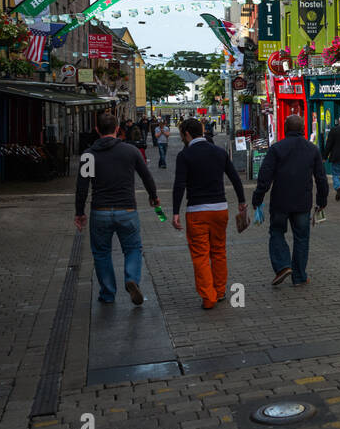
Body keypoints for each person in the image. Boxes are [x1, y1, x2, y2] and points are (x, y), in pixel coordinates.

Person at [74, 111, 162, 305]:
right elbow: (146, 176)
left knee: (101, 253)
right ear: (117, 130)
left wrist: (79, 212)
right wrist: (153, 196)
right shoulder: (130, 151)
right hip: (127, 210)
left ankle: (107, 293)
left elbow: (82, 186)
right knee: (132, 248)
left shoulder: (88, 155)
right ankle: (131, 278)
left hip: (100, 211)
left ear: (97, 130)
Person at [172, 117, 247, 310]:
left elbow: (179, 185)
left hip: (196, 211)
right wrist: (241, 201)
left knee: (201, 255)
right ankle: (220, 290)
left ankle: (208, 297)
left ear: (187, 134)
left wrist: (175, 212)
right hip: (220, 209)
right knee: (219, 251)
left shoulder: (185, 156)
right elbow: (235, 178)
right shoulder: (219, 152)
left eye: (182, 135)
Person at [252, 114, 329, 286]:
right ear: (303, 129)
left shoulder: (276, 148)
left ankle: (282, 266)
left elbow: (265, 176)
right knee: (301, 237)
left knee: (277, 232)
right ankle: (300, 276)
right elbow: (321, 178)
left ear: (285, 129)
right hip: (303, 201)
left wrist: (257, 197)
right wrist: (321, 201)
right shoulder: (312, 149)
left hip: (280, 200)